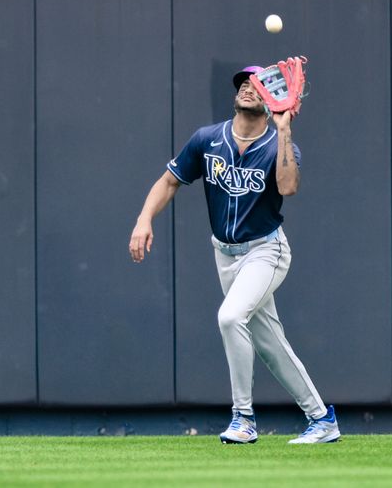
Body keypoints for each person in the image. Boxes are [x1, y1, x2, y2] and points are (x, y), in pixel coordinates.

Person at [128, 65, 340, 444]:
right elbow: (169, 181)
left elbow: (289, 188)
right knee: (271, 345)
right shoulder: (207, 139)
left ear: (271, 99)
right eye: (244, 83)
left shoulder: (280, 145)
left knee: (229, 317)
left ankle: (243, 418)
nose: (247, 87)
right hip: (225, 255)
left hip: (265, 250)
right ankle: (322, 419)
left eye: (257, 84)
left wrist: (285, 128)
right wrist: (144, 218)